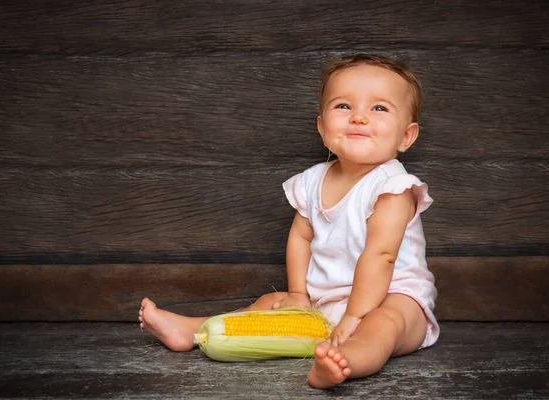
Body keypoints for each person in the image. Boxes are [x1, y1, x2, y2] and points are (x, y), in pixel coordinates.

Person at [138, 54, 439, 389]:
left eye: (379, 109)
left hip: (392, 297)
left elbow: (381, 255)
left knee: (386, 323)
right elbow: (301, 237)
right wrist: (298, 293)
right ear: (322, 127)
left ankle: (347, 361)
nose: (358, 117)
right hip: (325, 302)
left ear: (406, 137)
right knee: (269, 304)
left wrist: (354, 317)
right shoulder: (311, 182)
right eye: (343, 107)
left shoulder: (392, 186)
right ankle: (193, 330)